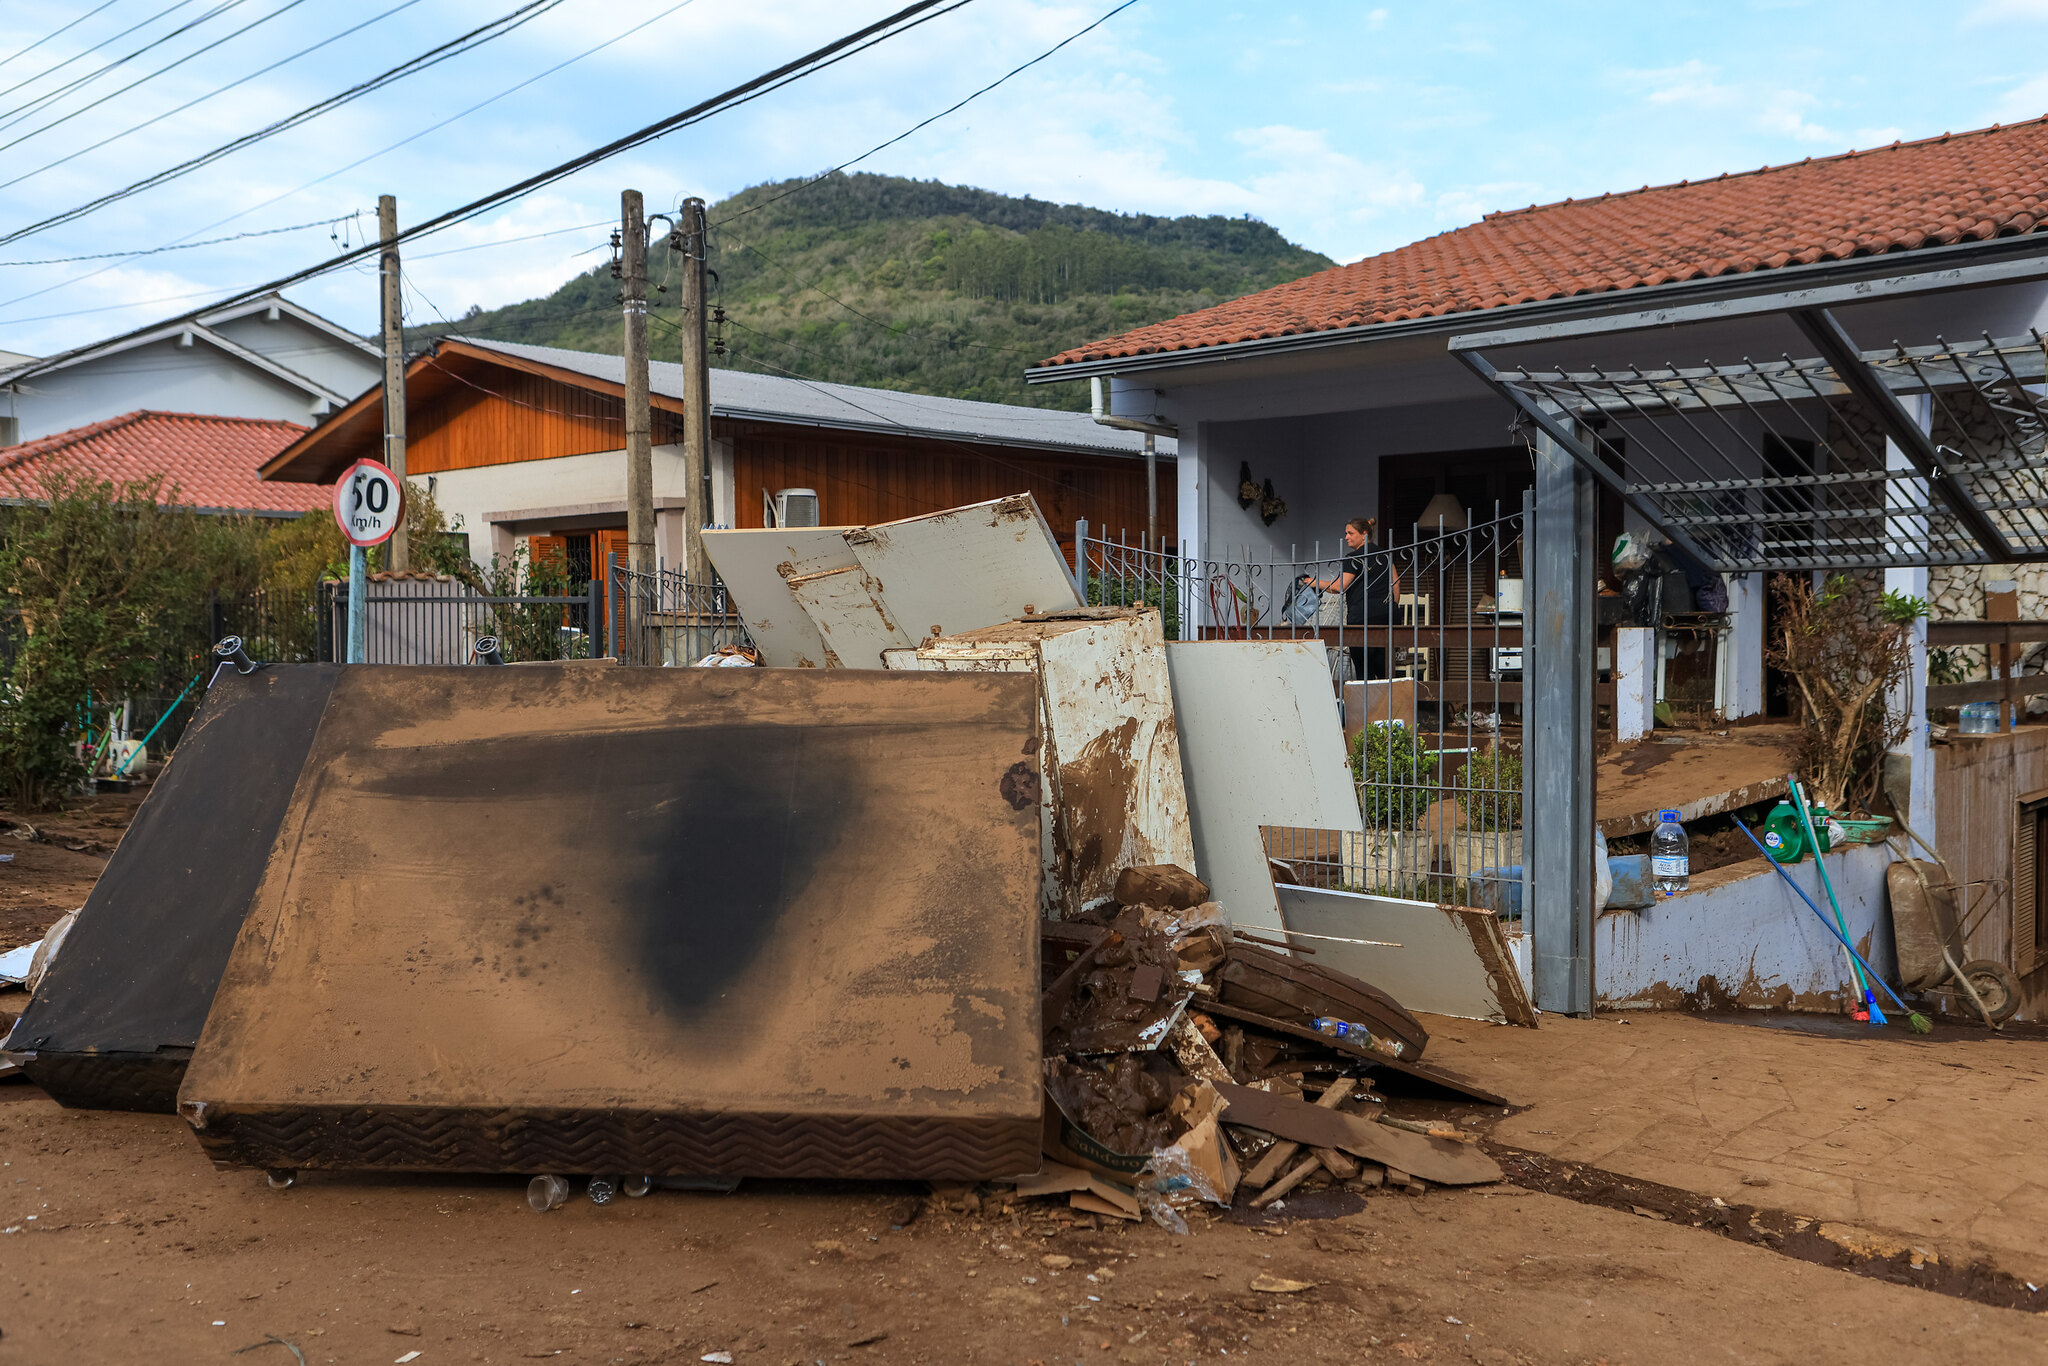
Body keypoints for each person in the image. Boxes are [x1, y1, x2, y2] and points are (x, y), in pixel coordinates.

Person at [1309, 517, 1398, 680]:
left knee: (1365, 671)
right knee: (1385, 669)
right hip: (1388, 617)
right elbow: (1395, 585)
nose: (1346, 537)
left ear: (1364, 534)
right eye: (1346, 533)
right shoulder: (1385, 555)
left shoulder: (1355, 557)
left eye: (1350, 533)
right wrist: (1391, 607)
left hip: (1362, 619)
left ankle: (1368, 704)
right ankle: (1389, 704)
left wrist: (1312, 582)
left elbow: (1339, 587)